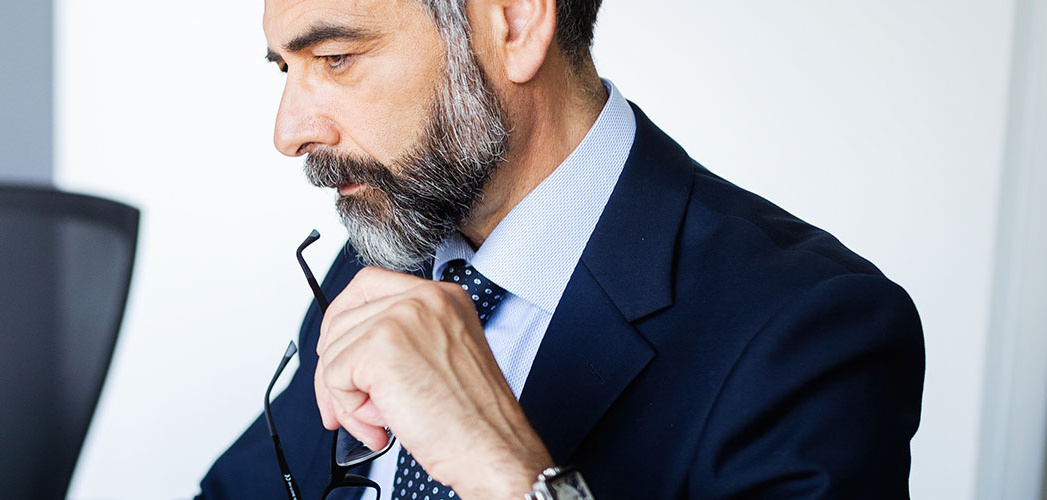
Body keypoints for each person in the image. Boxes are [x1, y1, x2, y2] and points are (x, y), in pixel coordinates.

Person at [197, 0, 926, 499]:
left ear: (515, 22)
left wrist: (506, 472)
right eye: (284, 69)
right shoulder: (388, 242)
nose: (288, 131)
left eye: (335, 57)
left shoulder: (816, 333)